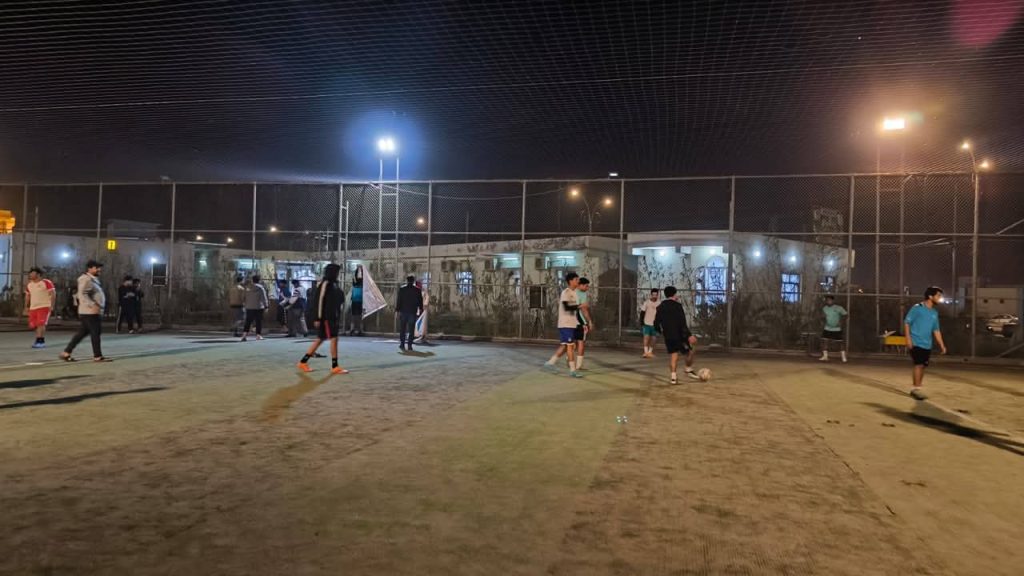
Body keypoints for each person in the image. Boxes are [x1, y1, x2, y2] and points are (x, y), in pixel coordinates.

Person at [297, 263, 349, 374]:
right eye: (337, 272)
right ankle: (334, 366)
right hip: (326, 318)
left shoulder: (334, 285)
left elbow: (338, 299)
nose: (338, 274)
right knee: (332, 339)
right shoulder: (325, 284)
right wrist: (318, 318)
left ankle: (303, 362)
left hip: (332, 317)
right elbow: (319, 302)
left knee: (322, 339)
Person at [60, 260, 112, 362]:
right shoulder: (85, 279)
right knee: (95, 333)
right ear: (90, 268)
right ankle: (97, 356)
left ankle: (66, 352)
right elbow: (82, 294)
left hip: (90, 312)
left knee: (82, 333)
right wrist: (93, 305)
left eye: (99, 268)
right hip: (90, 312)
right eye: (97, 268)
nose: (99, 270)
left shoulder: (92, 279)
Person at [904, 286, 947, 400]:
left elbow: (936, 330)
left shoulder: (934, 313)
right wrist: (908, 339)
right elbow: (907, 323)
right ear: (930, 296)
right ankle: (916, 389)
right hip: (916, 342)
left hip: (927, 344)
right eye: (938, 295)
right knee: (918, 364)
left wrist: (942, 345)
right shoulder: (917, 308)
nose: (940, 298)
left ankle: (918, 387)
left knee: (923, 366)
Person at [654, 285, 699, 384]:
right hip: (679, 335)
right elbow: (682, 322)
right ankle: (688, 369)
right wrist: (689, 335)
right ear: (674, 294)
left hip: (668, 335)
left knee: (674, 355)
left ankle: (673, 378)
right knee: (690, 351)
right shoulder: (677, 306)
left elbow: (656, 322)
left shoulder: (660, 307)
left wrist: (660, 331)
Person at [542, 272, 583, 378]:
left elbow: (574, 310)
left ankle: (550, 363)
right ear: (570, 281)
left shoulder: (575, 293)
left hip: (572, 324)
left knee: (565, 346)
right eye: (576, 280)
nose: (578, 281)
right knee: (570, 346)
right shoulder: (566, 292)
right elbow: (567, 307)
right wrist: (580, 306)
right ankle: (573, 370)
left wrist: (580, 323)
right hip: (566, 324)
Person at [24, 267, 56, 349]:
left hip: (44, 306)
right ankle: (39, 339)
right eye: (30, 273)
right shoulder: (29, 285)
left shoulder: (46, 282)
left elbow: (53, 294)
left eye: (33, 273)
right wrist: (26, 306)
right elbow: (27, 296)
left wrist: (52, 305)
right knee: (33, 325)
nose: (30, 275)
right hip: (33, 308)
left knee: (40, 324)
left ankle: (40, 341)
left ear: (38, 274)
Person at [396, 275, 424, 352]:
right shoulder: (417, 290)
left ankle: (402, 344)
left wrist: (397, 310)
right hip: (412, 311)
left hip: (403, 311)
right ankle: (409, 345)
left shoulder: (402, 289)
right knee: (411, 330)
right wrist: (421, 309)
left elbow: (399, 301)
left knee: (403, 329)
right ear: (413, 281)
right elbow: (420, 301)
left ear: (407, 280)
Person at [819, 295, 848, 362]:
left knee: (840, 343)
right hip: (827, 328)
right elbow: (823, 317)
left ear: (833, 301)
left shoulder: (839, 308)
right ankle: (825, 356)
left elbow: (846, 315)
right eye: (827, 300)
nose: (828, 301)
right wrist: (823, 320)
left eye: (830, 300)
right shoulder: (825, 308)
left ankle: (843, 357)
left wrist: (841, 322)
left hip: (837, 329)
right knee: (825, 341)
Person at [240, 274, 269, 342]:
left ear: (252, 280)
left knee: (248, 321)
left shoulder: (247, 288)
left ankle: (244, 335)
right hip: (259, 307)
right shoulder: (260, 288)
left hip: (249, 307)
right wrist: (266, 306)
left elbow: (243, 297)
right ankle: (258, 335)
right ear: (259, 280)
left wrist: (245, 304)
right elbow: (264, 298)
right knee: (258, 321)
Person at [573, 277, 594, 370]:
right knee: (581, 342)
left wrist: (589, 321)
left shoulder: (581, 293)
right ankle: (578, 366)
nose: (587, 288)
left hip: (571, 321)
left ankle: (569, 358)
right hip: (578, 322)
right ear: (580, 285)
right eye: (586, 286)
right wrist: (589, 321)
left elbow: (583, 309)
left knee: (573, 342)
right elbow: (582, 309)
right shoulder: (573, 292)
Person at [640, 288, 660, 358]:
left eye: (656, 295)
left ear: (657, 295)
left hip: (655, 324)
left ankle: (650, 352)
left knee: (654, 339)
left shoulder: (659, 303)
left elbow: (661, 314)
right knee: (646, 337)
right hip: (646, 323)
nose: (654, 296)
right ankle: (645, 352)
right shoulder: (646, 302)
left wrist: (660, 324)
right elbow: (642, 313)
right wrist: (642, 323)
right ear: (651, 295)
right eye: (653, 295)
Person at [348, 265, 365, 336]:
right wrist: (360, 269)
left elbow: (355, 278)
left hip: (356, 300)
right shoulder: (361, 282)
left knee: (355, 315)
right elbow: (357, 277)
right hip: (359, 300)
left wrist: (359, 269)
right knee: (358, 315)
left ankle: (354, 329)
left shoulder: (358, 282)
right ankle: (358, 329)